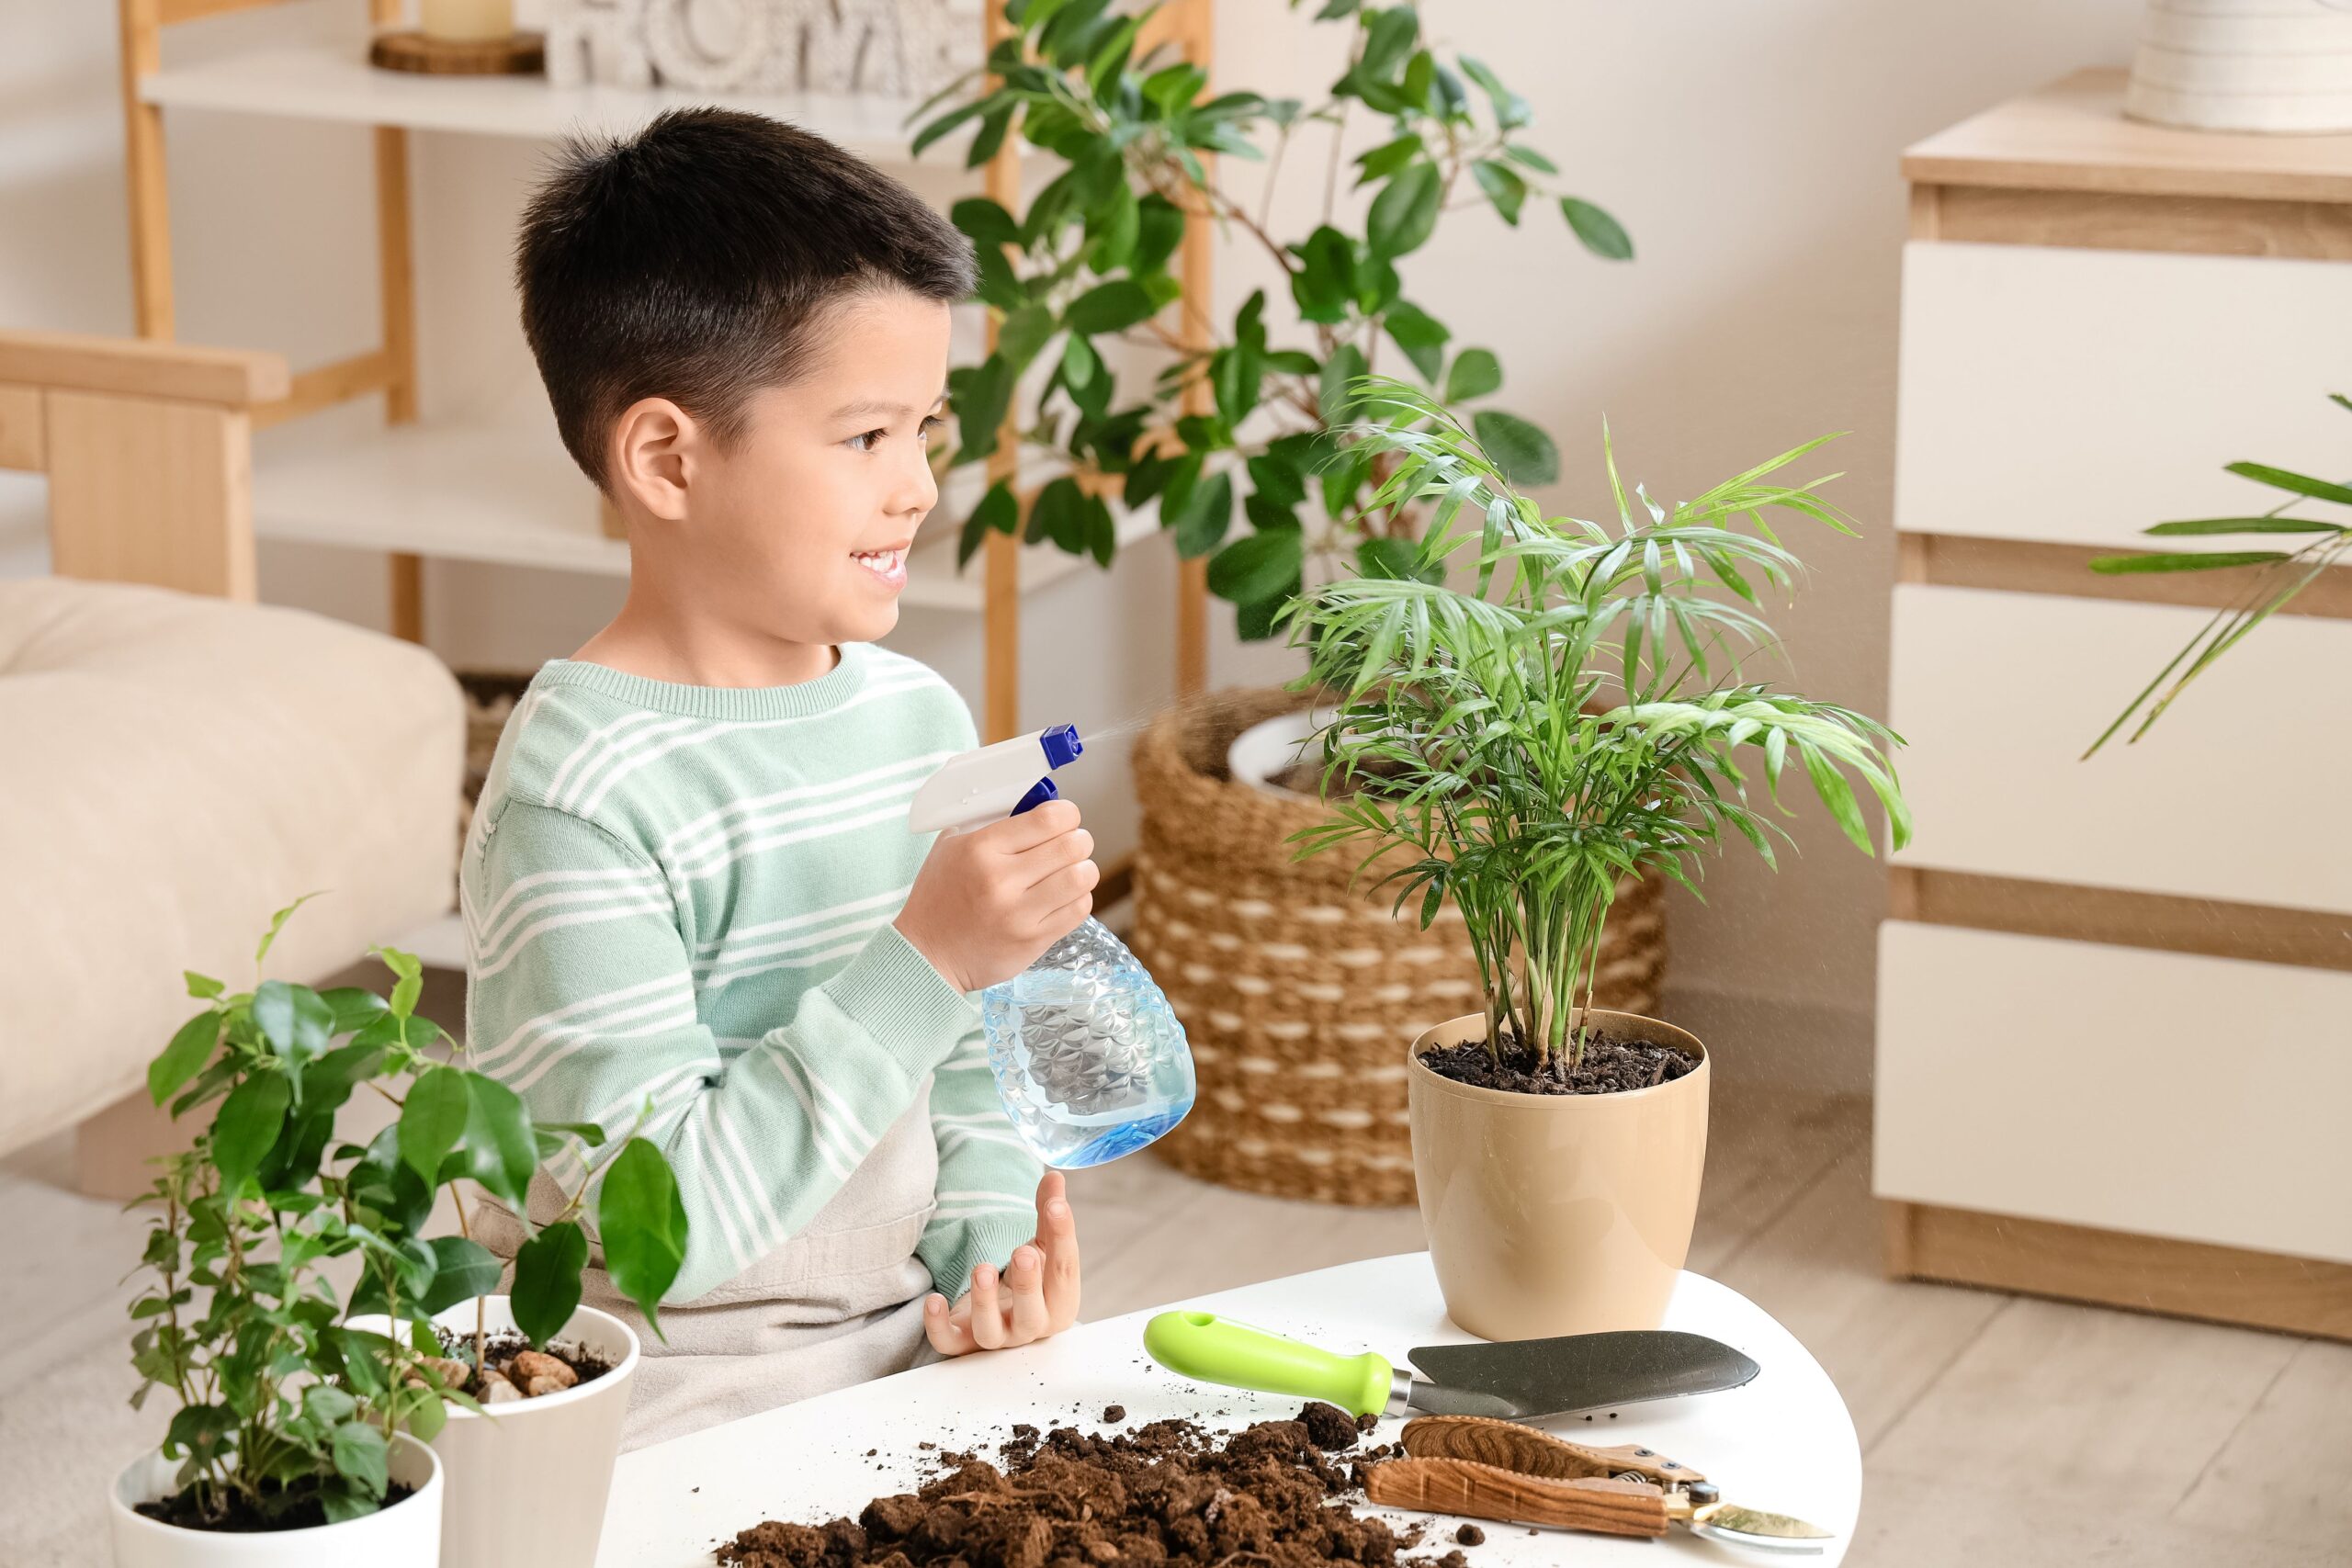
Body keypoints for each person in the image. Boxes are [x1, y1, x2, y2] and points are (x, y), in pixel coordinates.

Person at [462, 107, 1093, 1448]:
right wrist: (927, 956)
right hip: (671, 1397)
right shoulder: (579, 797)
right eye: (865, 438)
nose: (919, 485)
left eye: (927, 426)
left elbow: (973, 1070)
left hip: (914, 1347)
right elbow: (660, 1232)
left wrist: (994, 1254)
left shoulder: (916, 715)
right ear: (666, 459)